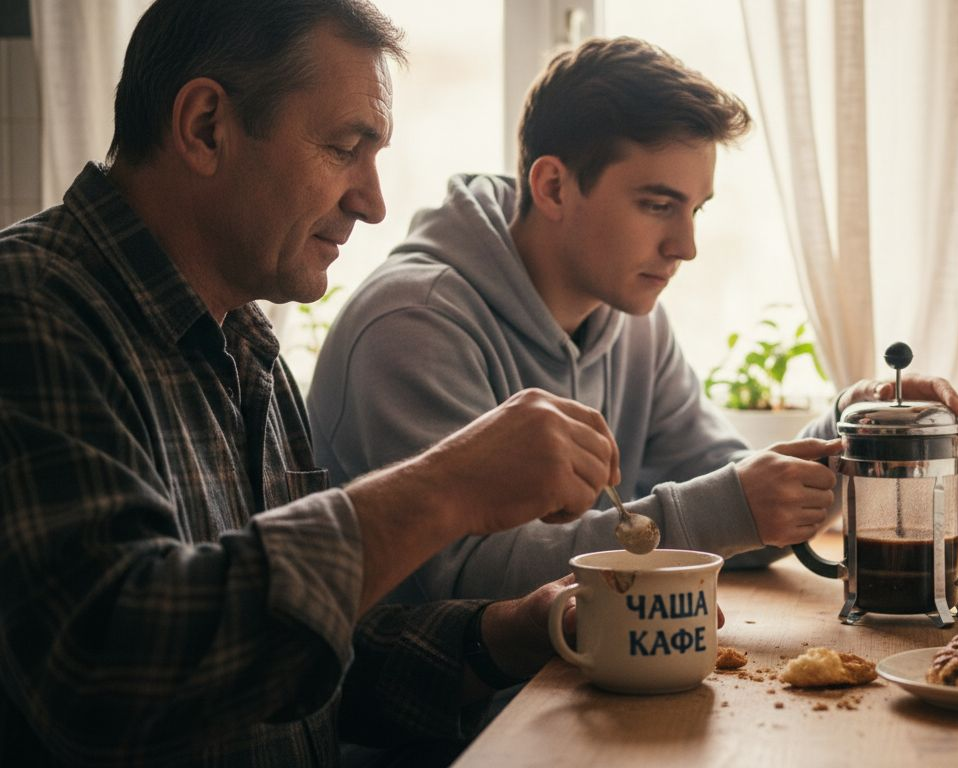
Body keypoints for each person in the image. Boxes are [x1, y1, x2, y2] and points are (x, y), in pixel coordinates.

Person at [0, 1, 624, 764]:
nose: (372, 200)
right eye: (342, 148)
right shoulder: (30, 308)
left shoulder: (248, 342)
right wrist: (445, 486)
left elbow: (292, 659)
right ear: (205, 127)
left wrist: (511, 633)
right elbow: (110, 666)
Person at [307, 36, 958, 603]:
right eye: (658, 205)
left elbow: (730, 506)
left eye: (696, 210)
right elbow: (459, 584)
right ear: (552, 187)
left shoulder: (631, 322)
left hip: (576, 696)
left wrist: (856, 426)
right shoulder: (412, 328)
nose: (685, 247)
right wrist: (727, 510)